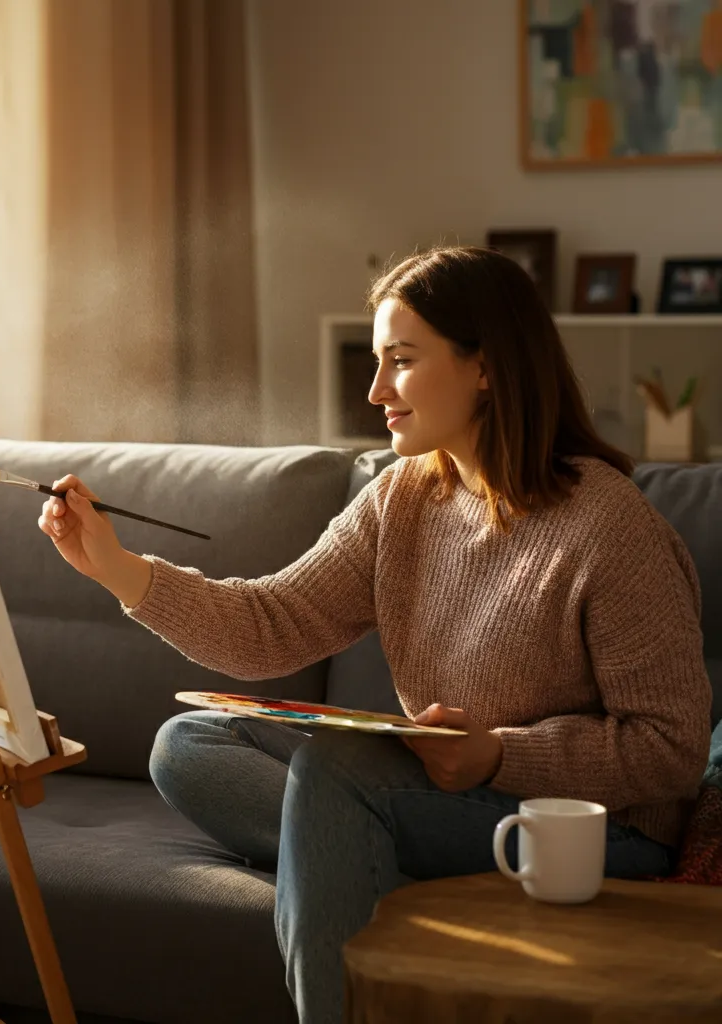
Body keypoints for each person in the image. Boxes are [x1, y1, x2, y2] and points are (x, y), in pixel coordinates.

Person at [36, 245, 712, 1024]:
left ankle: (352, 852)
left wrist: (499, 752)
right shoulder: (404, 498)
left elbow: (671, 748)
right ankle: (362, 851)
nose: (375, 389)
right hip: (438, 797)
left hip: (588, 832)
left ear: (484, 368)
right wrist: (116, 568)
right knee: (189, 744)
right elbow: (272, 627)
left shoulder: (608, 524)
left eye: (401, 360)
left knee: (335, 778)